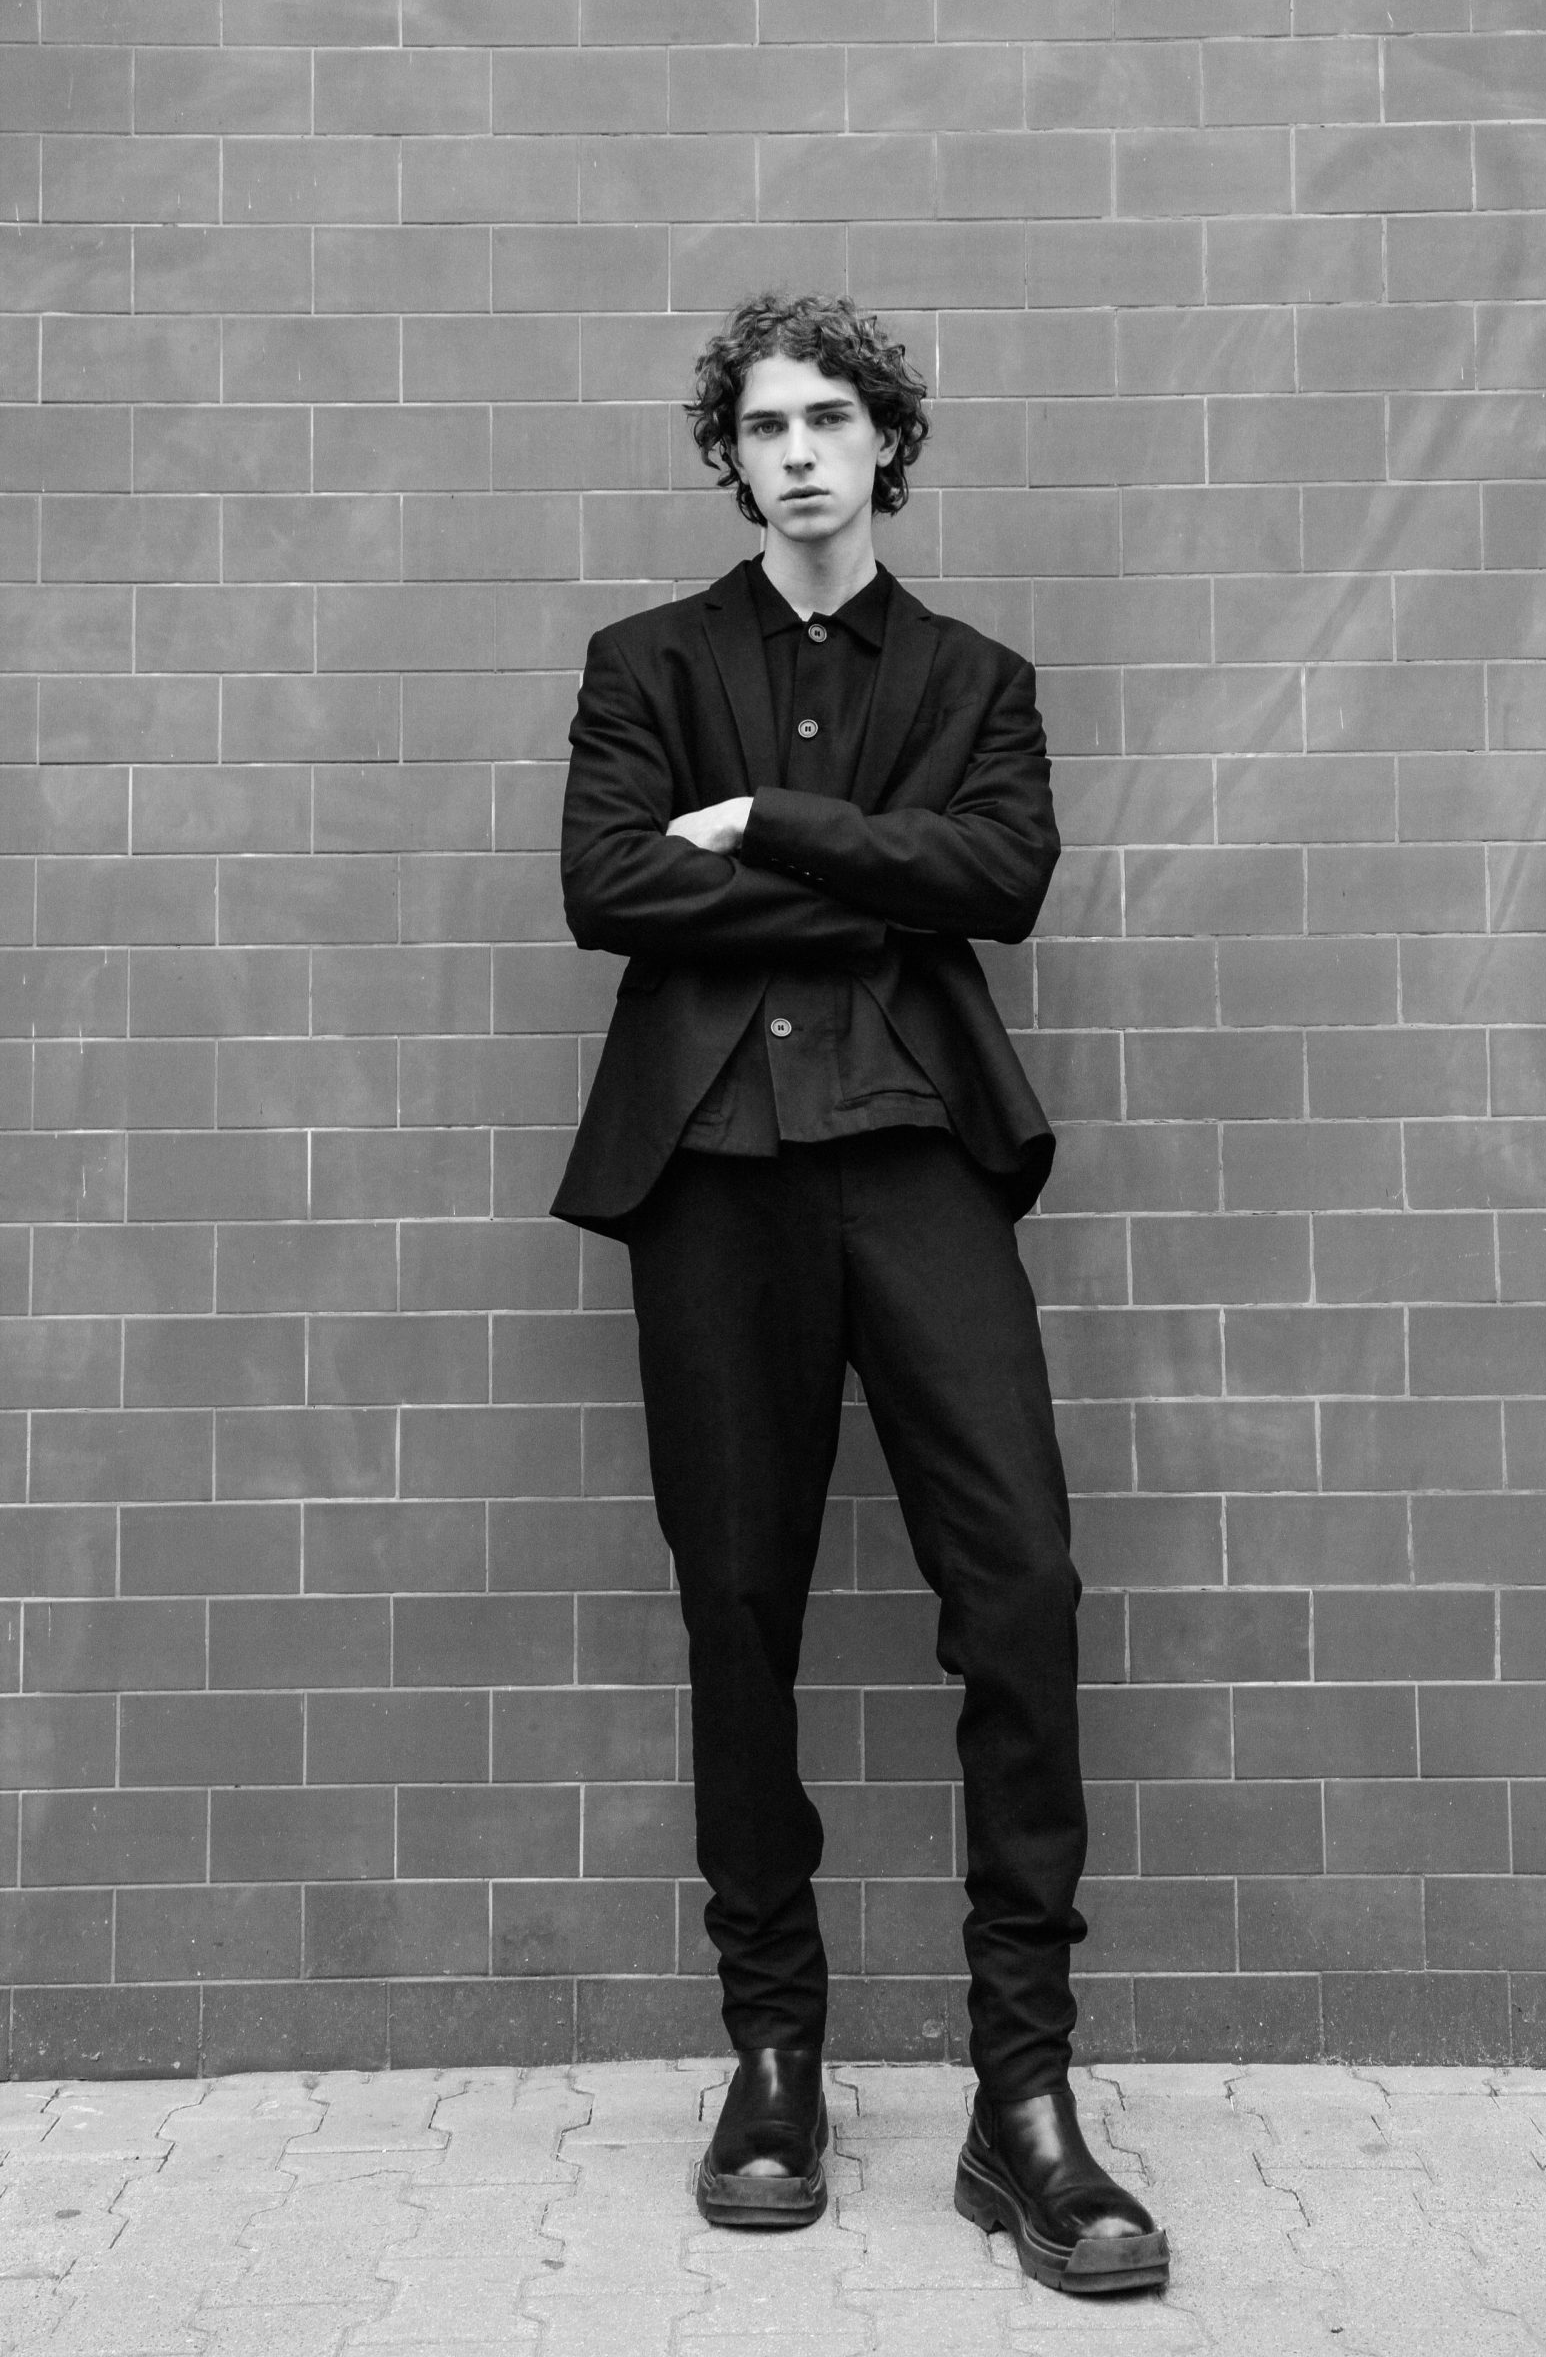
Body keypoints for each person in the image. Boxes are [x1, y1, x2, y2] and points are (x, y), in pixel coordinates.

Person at [551, 293, 1169, 2297]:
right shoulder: (645, 663)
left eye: (831, 416)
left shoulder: (977, 679)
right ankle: (773, 2056)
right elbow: (607, 886)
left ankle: (1024, 2091)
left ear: (886, 441)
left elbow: (1001, 878)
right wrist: (873, 878)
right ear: (726, 456)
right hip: (711, 1171)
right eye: (764, 423)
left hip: (917, 1162)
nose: (800, 449)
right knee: (737, 1602)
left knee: (1021, 1583)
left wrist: (768, 824)